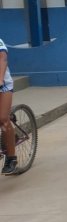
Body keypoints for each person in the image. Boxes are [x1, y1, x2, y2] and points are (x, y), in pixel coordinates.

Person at [0, 38, 17, 174]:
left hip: (3, 86)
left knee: (3, 120)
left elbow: (3, 59)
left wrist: (0, 79)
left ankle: (11, 158)